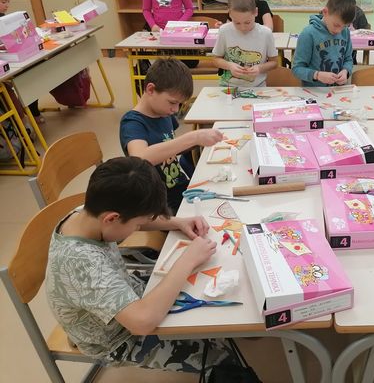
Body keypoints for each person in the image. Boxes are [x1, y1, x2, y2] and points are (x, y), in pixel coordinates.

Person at [45, 156, 235, 377]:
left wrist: (177, 222)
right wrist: (187, 259)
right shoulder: (81, 263)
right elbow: (142, 323)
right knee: (223, 361)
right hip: (117, 338)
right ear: (112, 218)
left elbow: (135, 219)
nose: (139, 227)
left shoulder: (89, 212)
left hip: (123, 296)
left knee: (205, 290)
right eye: (137, 225)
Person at [120, 57, 224, 214]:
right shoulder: (132, 123)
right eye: (172, 102)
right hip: (158, 203)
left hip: (178, 188)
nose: (176, 110)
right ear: (150, 90)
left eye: (179, 104)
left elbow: (169, 146)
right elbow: (140, 158)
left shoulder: (163, 113)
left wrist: (199, 141)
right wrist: (193, 138)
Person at [211, 0, 278, 87]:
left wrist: (259, 68)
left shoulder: (266, 33)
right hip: (228, 86)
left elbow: (274, 63)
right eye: (237, 23)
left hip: (257, 87)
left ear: (256, 12)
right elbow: (215, 59)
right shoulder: (224, 31)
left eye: (247, 22)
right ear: (230, 14)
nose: (242, 28)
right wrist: (229, 65)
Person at [292, 0, 355, 86]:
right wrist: (317, 75)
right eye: (336, 25)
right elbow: (297, 69)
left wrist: (346, 71)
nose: (339, 31)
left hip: (337, 91)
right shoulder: (308, 34)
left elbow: (348, 59)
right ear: (325, 12)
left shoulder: (345, 32)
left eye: (344, 26)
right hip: (314, 91)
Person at [0, 0, 43, 123]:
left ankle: (32, 109)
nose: (7, 5)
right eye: (3, 2)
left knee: (32, 70)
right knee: (27, 75)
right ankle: (27, 115)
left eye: (8, 1)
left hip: (10, 58)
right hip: (4, 64)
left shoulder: (3, 18)